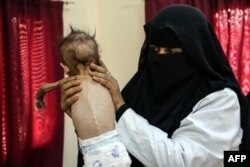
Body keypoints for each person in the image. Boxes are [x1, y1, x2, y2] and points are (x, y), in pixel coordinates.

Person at [60, 4, 250, 167]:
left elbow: (182, 161)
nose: (159, 58)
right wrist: (85, 114)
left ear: (196, 54)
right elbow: (108, 149)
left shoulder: (220, 99)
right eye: (155, 49)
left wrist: (119, 108)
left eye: (170, 51)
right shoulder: (138, 90)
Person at [35, 28, 131, 167]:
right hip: (117, 149)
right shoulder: (105, 80)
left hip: (92, 154)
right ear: (98, 60)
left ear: (65, 68)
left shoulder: (69, 83)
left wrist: (39, 99)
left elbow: (43, 88)